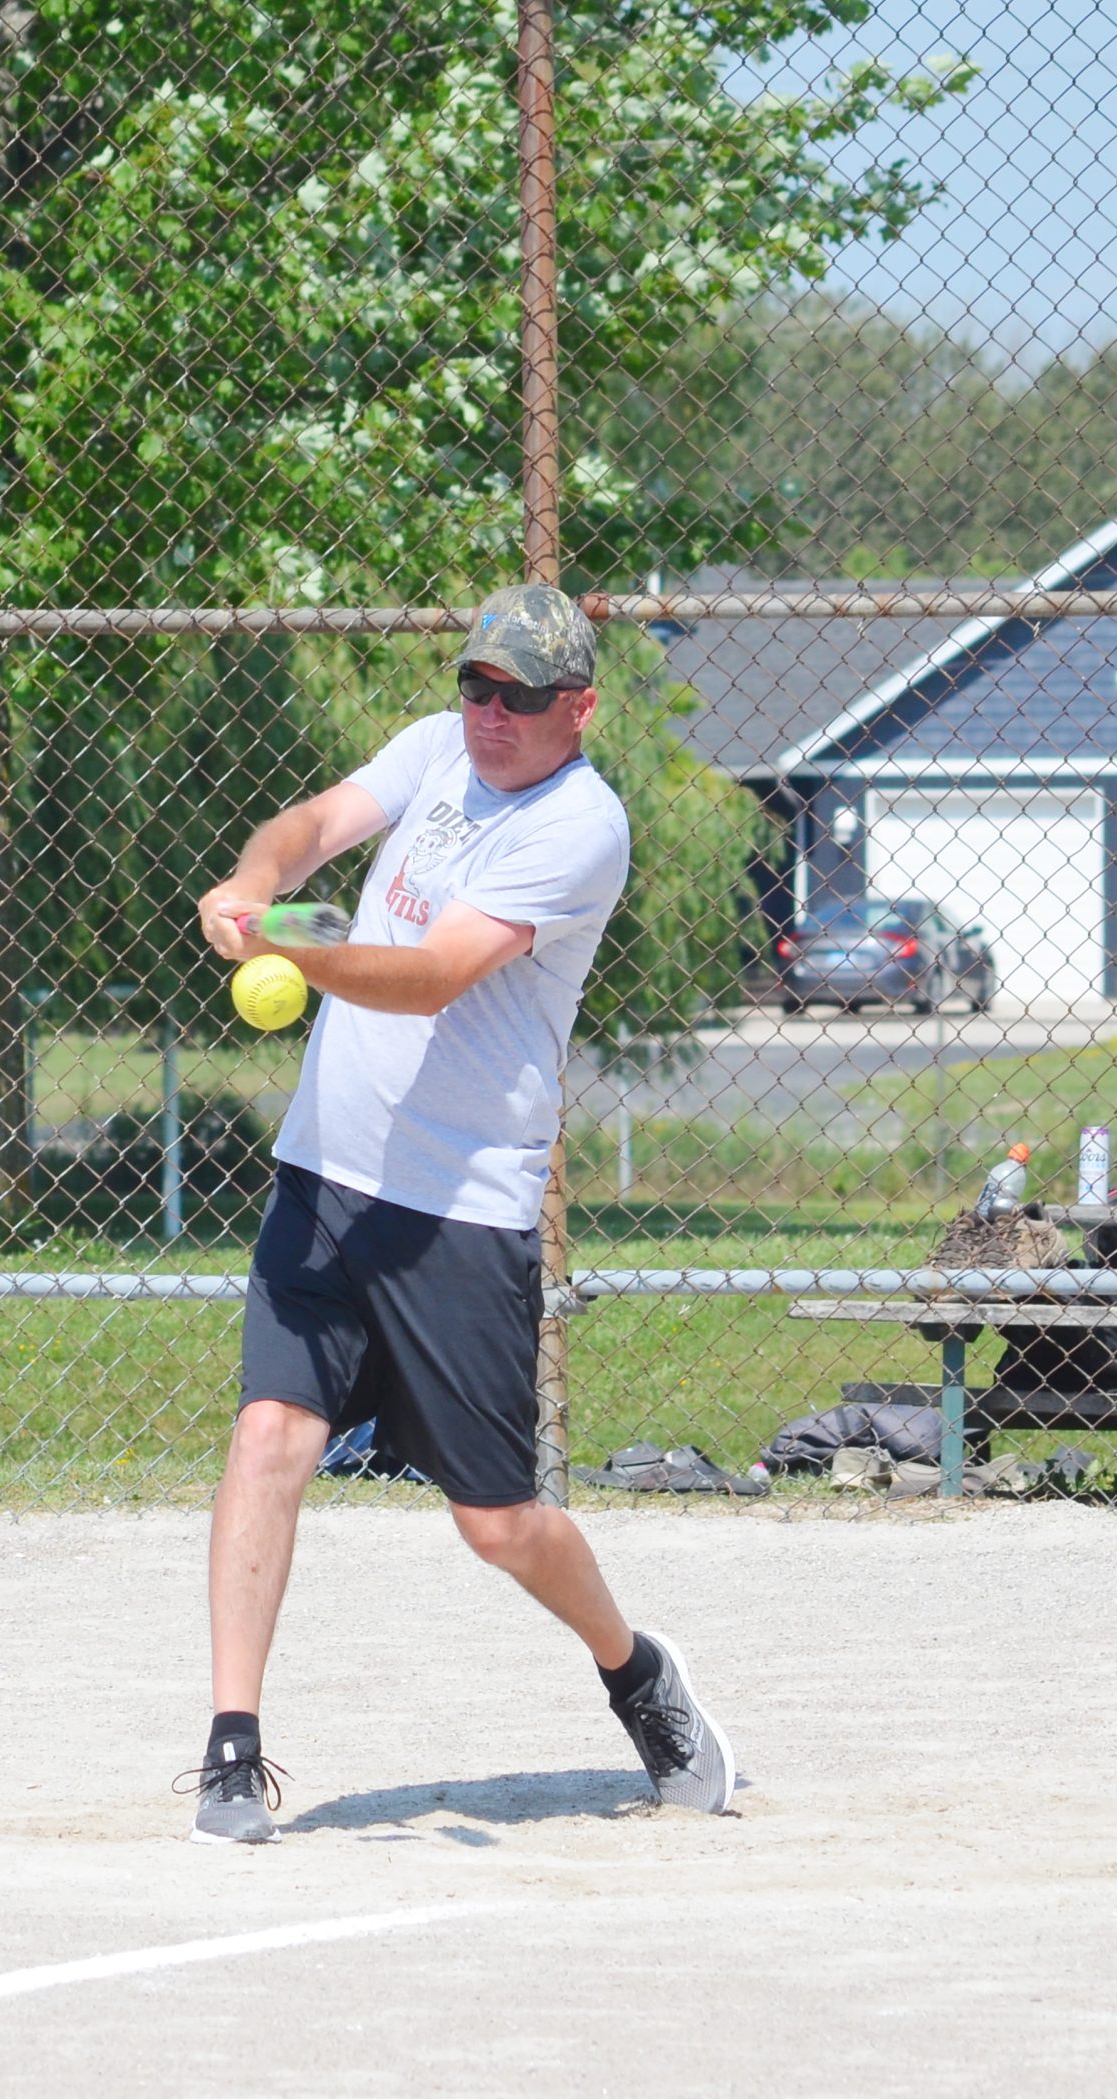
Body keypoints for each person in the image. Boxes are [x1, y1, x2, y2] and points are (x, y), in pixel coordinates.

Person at [182, 583, 735, 1841]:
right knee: (270, 1432)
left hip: (458, 1212)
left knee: (497, 1522)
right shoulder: (440, 749)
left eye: (521, 696)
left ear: (577, 709)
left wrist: (277, 937)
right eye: (477, 684)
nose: (489, 713)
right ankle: (230, 1741)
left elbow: (429, 978)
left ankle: (633, 1670)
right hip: (328, 1177)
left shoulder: (582, 823)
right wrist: (254, 878)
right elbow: (318, 822)